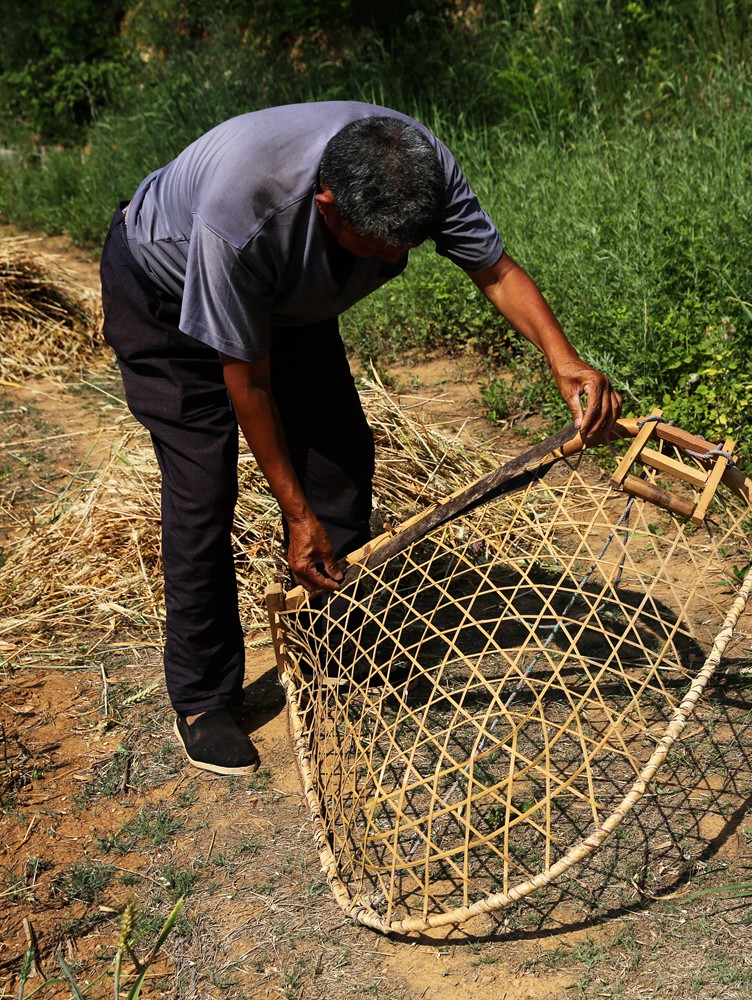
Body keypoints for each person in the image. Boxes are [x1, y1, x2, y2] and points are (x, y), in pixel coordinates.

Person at [99, 102, 621, 776]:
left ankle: (334, 646)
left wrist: (563, 358)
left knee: (341, 458)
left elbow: (494, 271)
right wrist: (295, 514)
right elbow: (248, 383)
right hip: (165, 296)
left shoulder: (415, 165)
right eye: (377, 248)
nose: (394, 260)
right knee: (203, 489)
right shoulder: (242, 215)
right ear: (326, 205)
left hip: (289, 300)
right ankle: (203, 698)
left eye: (404, 245)